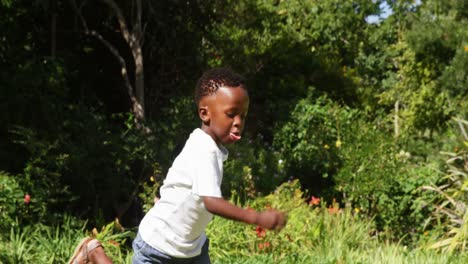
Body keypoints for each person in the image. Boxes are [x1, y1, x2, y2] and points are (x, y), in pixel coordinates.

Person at [68, 67, 287, 264]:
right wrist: (256, 218)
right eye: (231, 114)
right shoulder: (205, 150)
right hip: (158, 247)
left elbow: (180, 182)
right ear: (205, 113)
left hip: (191, 250)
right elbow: (212, 203)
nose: (238, 122)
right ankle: (94, 252)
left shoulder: (206, 144)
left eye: (243, 116)